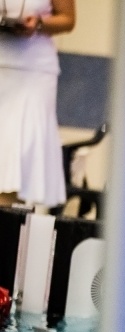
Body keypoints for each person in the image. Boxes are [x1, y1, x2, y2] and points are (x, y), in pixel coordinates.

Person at [0, 0, 75, 209]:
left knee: (17, 159)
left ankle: (11, 227)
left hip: (33, 70)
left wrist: (38, 23)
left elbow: (68, 20)